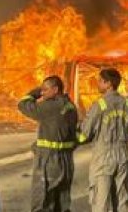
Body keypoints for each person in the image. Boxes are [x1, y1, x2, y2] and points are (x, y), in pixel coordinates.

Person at [78, 68, 128, 212]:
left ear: (109, 83)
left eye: (100, 81)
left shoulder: (99, 105)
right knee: (122, 197)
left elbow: (84, 135)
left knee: (102, 200)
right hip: (123, 155)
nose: (98, 84)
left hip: (103, 157)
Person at [18, 75, 79, 212]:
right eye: (41, 90)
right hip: (66, 161)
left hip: (50, 160)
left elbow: (22, 105)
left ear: (56, 89)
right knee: (62, 204)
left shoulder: (51, 106)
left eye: (45, 89)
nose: (43, 92)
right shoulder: (70, 106)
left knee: (42, 201)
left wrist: (35, 92)